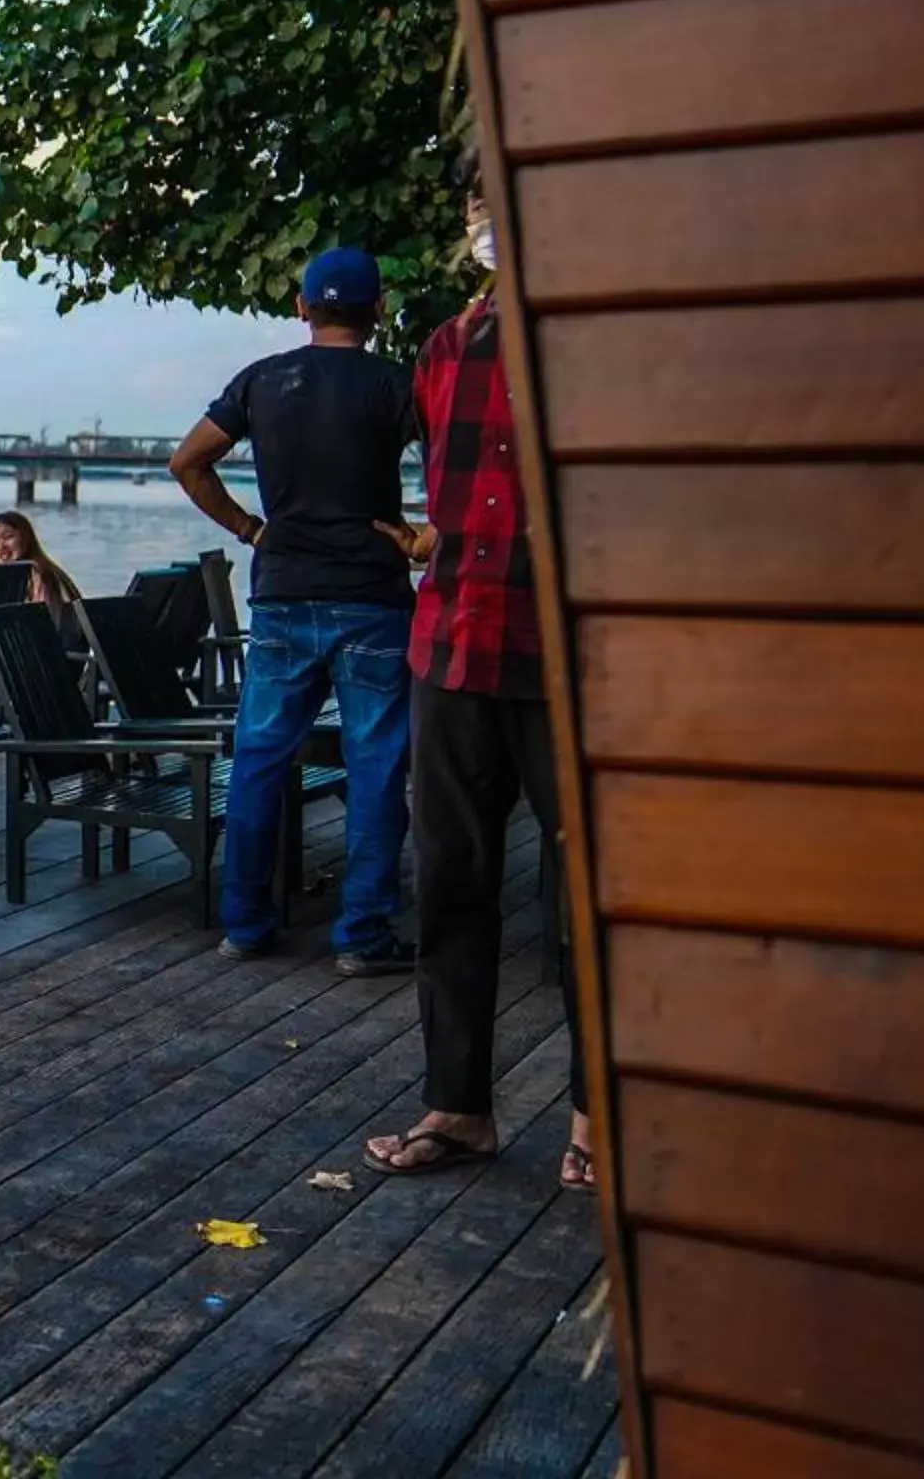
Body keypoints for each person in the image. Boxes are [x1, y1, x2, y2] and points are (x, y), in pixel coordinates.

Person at [363, 158, 595, 1190]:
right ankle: (459, 1106)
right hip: (452, 644)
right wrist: (421, 538)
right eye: (474, 208)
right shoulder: (445, 346)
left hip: (567, 655)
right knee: (451, 881)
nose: (488, 222)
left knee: (587, 892)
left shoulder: (598, 336)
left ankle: (598, 1115)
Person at [169, 246, 419, 977]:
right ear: (378, 311)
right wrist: (424, 536)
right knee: (376, 768)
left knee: (259, 761)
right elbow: (459, 461)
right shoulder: (396, 385)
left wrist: (249, 528)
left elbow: (187, 462)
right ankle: (364, 934)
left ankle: (246, 925)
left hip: (282, 594)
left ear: (303, 308)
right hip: (373, 598)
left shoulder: (262, 381)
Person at [0, 510, 82, 604]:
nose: (1, 546)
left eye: (8, 537)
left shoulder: (39, 574)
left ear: (25, 538)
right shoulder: (10, 578)